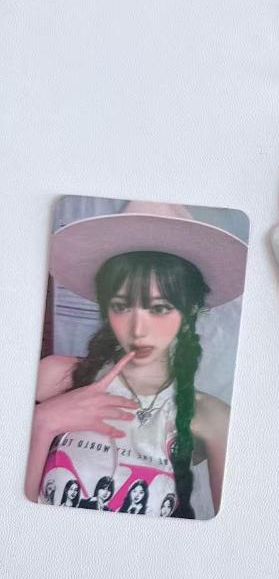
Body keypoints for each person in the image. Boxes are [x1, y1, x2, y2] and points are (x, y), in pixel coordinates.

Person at [26, 201, 247, 519]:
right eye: (121, 306)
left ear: (191, 311)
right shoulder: (54, 377)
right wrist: (43, 423)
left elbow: (234, 535)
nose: (138, 330)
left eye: (159, 308)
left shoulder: (213, 418)